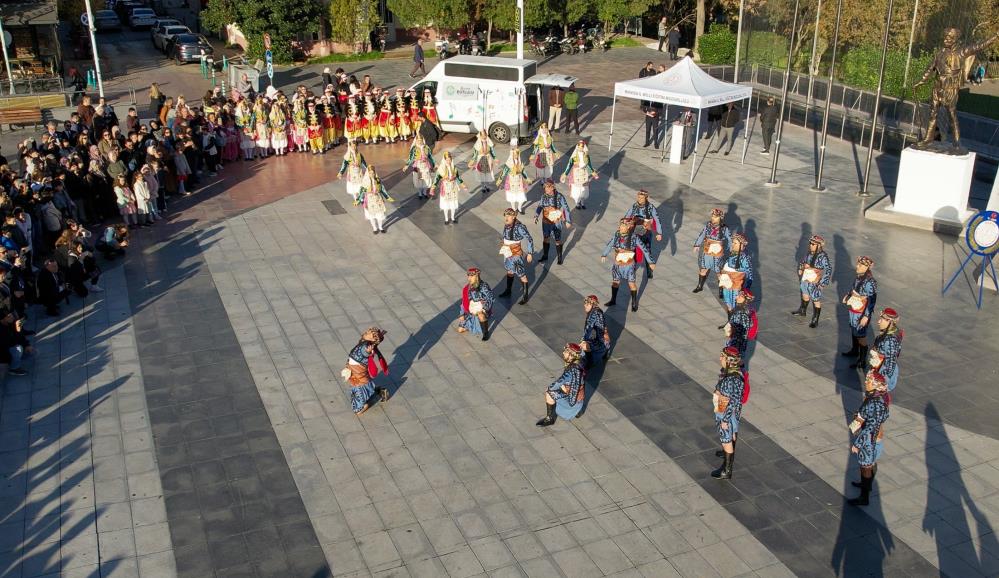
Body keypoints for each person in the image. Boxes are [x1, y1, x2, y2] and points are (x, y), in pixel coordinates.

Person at [847, 371, 890, 506]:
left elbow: (869, 429)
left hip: (868, 441)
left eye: (868, 381)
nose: (866, 383)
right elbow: (883, 417)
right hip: (874, 438)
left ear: (876, 384)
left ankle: (864, 496)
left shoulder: (872, 403)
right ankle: (866, 484)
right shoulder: (881, 399)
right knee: (868, 465)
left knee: (866, 466)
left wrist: (857, 444)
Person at [601, 217, 654, 311]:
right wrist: (604, 254)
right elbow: (610, 244)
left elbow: (644, 249)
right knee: (615, 282)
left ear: (628, 227)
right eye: (620, 226)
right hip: (618, 264)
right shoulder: (617, 235)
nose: (620, 228)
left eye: (623, 227)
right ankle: (613, 300)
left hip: (628, 265)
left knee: (631, 284)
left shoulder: (634, 237)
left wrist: (650, 262)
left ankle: (634, 303)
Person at [711, 346, 745, 480]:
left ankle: (726, 470)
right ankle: (727, 464)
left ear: (729, 360)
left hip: (725, 414)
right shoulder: (737, 375)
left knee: (726, 440)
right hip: (734, 413)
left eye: (722, 356)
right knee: (731, 437)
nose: (720, 358)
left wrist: (724, 420)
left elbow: (729, 402)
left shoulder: (728, 380)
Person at [340, 327, 390, 415]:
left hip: (358, 373)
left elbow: (365, 351)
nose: (366, 333)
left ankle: (361, 407)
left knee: (359, 389)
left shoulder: (367, 346)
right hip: (355, 370)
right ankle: (378, 391)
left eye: (368, 333)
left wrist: (367, 351)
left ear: (372, 339)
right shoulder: (364, 342)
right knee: (359, 384)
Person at [535, 343, 586, 427]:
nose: (563, 353)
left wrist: (550, 388)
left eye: (566, 352)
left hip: (573, 403)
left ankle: (550, 419)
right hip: (580, 399)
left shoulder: (570, 371)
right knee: (563, 387)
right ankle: (578, 412)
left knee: (549, 393)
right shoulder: (580, 364)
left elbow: (556, 384)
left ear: (571, 355)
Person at [841, 256, 878, 365]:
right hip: (854, 309)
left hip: (862, 312)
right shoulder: (859, 277)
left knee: (860, 335)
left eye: (860, 265)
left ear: (867, 267)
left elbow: (872, 300)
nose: (857, 266)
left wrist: (866, 316)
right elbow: (853, 289)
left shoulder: (870, 282)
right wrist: (848, 295)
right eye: (858, 264)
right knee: (854, 329)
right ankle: (854, 350)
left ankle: (862, 359)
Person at [792, 234, 832, 328]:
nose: (811, 245)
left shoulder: (823, 256)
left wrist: (822, 283)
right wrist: (801, 268)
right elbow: (804, 261)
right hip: (806, 278)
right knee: (805, 294)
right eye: (810, 243)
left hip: (815, 281)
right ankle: (803, 310)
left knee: (815, 299)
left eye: (813, 244)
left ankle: (815, 319)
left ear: (818, 245)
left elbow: (828, 269)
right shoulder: (809, 253)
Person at [498, 208, 534, 305]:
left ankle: (525, 296)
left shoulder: (519, 227)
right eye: (505, 216)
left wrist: (530, 253)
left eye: (508, 216)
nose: (506, 218)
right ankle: (508, 290)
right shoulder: (507, 224)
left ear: (514, 216)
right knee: (509, 271)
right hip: (507, 252)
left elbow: (529, 239)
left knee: (521, 274)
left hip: (515, 254)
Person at [624, 189, 662, 279]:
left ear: (646, 198)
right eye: (639, 197)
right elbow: (628, 215)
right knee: (632, 249)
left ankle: (649, 271)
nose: (640, 199)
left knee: (647, 250)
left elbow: (657, 219)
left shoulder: (651, 207)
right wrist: (624, 223)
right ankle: (631, 269)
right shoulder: (635, 206)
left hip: (646, 232)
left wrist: (659, 233)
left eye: (642, 197)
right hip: (635, 231)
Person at [692, 208, 731, 294]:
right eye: (712, 216)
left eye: (716, 217)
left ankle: (721, 290)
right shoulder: (708, 225)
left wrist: (731, 250)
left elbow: (729, 239)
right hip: (708, 250)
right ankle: (699, 286)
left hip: (717, 252)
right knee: (703, 269)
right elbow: (702, 234)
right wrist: (697, 244)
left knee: (719, 272)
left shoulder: (724, 228)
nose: (713, 218)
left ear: (720, 218)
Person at [534, 180, 571, 265]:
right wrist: (536, 215)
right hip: (546, 221)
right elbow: (540, 206)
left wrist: (568, 220)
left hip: (556, 222)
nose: (545, 189)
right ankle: (545, 255)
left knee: (557, 239)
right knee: (546, 238)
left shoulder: (559, 196)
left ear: (552, 187)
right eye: (545, 187)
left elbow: (566, 208)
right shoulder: (543, 196)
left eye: (547, 187)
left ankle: (559, 257)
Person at [868, 308, 902, 391]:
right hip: (878, 369)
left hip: (882, 375)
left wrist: (879, 380)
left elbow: (890, 365)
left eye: (881, 320)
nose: (878, 322)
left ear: (889, 322)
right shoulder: (887, 334)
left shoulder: (890, 340)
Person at [718, 233, 753, 313]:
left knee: (735, 304)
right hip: (726, 283)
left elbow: (750, 274)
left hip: (736, 285)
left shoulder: (745, 258)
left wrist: (746, 288)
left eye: (735, 243)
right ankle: (730, 323)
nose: (732, 244)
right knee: (728, 303)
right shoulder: (732, 253)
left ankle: (735, 323)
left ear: (741, 245)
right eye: (732, 242)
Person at [456, 267, 494, 341]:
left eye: (471, 276)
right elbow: (463, 302)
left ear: (476, 276)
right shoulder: (467, 288)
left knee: (481, 315)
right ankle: (471, 323)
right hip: (471, 312)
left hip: (482, 310)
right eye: (468, 276)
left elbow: (490, 298)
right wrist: (462, 314)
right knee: (460, 330)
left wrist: (483, 309)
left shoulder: (484, 286)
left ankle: (485, 333)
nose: (469, 278)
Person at [560, 141, 598, 210]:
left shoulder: (586, 156)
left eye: (582, 146)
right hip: (576, 174)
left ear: (584, 147)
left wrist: (593, 173)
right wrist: (565, 174)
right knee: (577, 190)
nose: (580, 148)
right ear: (577, 147)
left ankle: (582, 202)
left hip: (584, 174)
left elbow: (589, 165)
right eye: (579, 146)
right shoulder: (574, 156)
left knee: (584, 189)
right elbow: (569, 165)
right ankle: (577, 203)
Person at [354, 166, 393, 234]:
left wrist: (387, 197)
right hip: (369, 199)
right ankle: (374, 228)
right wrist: (358, 200)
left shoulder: (377, 180)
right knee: (371, 215)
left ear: (375, 173)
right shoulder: (365, 181)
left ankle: (380, 227)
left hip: (377, 198)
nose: (371, 174)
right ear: (368, 173)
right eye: (370, 173)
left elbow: (382, 189)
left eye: (373, 173)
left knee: (380, 213)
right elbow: (361, 191)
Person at [495, 148, 531, 214]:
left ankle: (519, 208)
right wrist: (499, 180)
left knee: (522, 196)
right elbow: (503, 172)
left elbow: (523, 171)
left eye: (517, 154)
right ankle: (513, 209)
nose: (516, 155)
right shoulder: (508, 163)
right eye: (514, 154)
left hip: (519, 180)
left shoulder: (520, 162)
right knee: (512, 196)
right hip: (511, 180)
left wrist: (527, 178)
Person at [433, 151, 466, 224]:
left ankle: (453, 217)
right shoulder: (441, 169)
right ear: (444, 160)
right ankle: (446, 219)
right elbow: (436, 178)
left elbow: (458, 177)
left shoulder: (454, 167)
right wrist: (433, 188)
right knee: (446, 205)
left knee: (453, 204)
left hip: (453, 186)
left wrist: (462, 184)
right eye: (447, 160)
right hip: (445, 187)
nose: (448, 161)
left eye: (449, 159)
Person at [0, 308, 33, 376]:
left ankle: (16, 359)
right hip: (4, 353)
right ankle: (14, 368)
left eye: (11, 315)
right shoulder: (1, 329)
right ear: (2, 320)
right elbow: (10, 343)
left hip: (11, 347)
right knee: (18, 348)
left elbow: (20, 336)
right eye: (9, 316)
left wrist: (27, 345)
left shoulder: (12, 323)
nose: (12, 317)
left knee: (33, 353)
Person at [723, 289, 755, 360]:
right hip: (740, 342)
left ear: (744, 298)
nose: (736, 297)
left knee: (733, 361)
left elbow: (739, 329)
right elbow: (751, 324)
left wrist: (730, 330)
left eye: (738, 296)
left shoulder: (740, 312)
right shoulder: (744, 309)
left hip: (736, 342)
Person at [580, 295, 610, 368]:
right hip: (602, 340)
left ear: (591, 304)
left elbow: (588, 329)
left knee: (584, 346)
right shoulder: (597, 311)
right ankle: (605, 349)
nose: (585, 306)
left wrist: (583, 340)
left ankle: (590, 361)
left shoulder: (594, 314)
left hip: (600, 342)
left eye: (586, 304)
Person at [402, 133, 435, 200]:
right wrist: (406, 165)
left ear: (423, 140)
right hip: (417, 166)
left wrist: (434, 165)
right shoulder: (414, 148)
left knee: (426, 179)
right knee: (419, 180)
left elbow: (430, 157)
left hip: (425, 165)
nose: (419, 141)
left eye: (421, 140)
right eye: (418, 140)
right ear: (416, 141)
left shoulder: (426, 147)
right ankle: (420, 193)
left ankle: (425, 192)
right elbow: (410, 158)